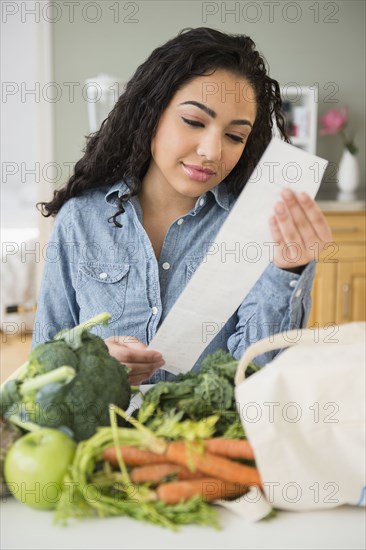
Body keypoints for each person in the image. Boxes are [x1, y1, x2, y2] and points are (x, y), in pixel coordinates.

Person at [34, 27, 332, 386]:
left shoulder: (256, 227)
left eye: (235, 136)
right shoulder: (81, 220)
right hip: (105, 440)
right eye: (194, 121)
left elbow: (257, 378)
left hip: (208, 440)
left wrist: (289, 269)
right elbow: (44, 368)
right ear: (151, 112)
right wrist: (92, 369)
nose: (212, 151)